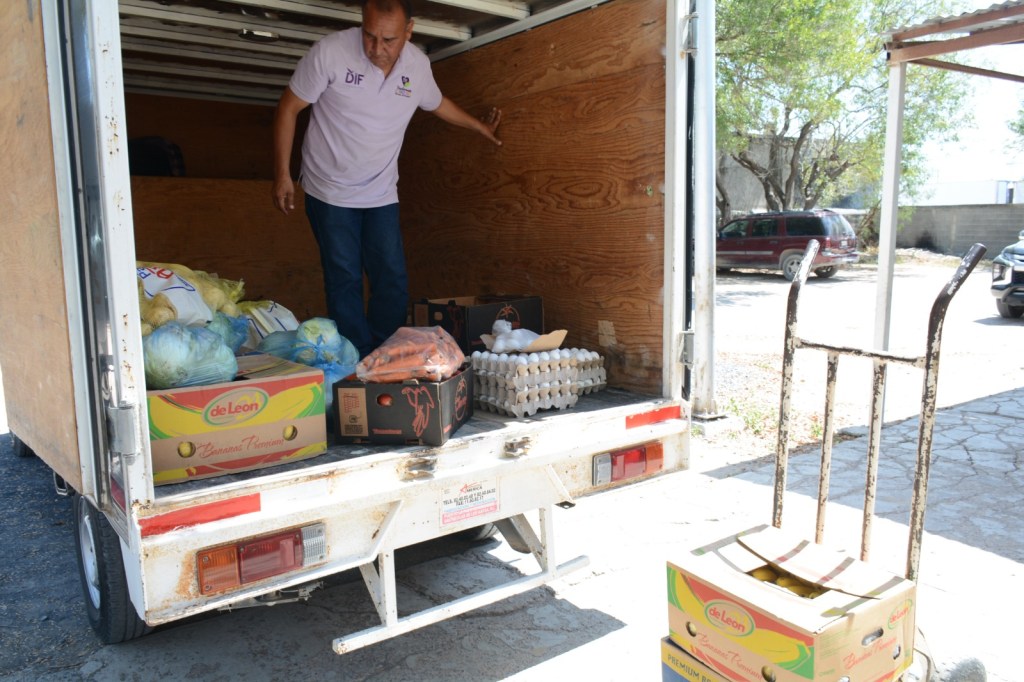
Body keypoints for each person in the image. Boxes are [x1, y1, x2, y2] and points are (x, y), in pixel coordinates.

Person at [272, 0, 502, 357]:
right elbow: (289, 106)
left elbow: (437, 102)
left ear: (409, 31)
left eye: (389, 40)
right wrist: (282, 174)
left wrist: (480, 127)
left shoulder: (417, 66)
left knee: (392, 280)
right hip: (328, 190)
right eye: (369, 36)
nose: (377, 49)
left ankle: (386, 356)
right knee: (344, 278)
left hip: (380, 192)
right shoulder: (330, 53)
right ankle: (357, 361)